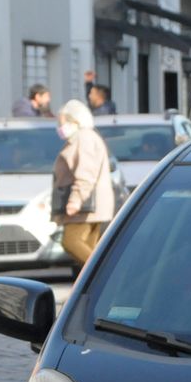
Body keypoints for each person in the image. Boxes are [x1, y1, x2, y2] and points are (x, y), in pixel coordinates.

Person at [51, 99, 115, 268]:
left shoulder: (84, 137)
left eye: (62, 122)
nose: (59, 127)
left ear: (75, 121)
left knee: (71, 241)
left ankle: (104, 274)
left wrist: (75, 200)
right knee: (90, 248)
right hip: (92, 205)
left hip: (85, 205)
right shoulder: (86, 137)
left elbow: (86, 173)